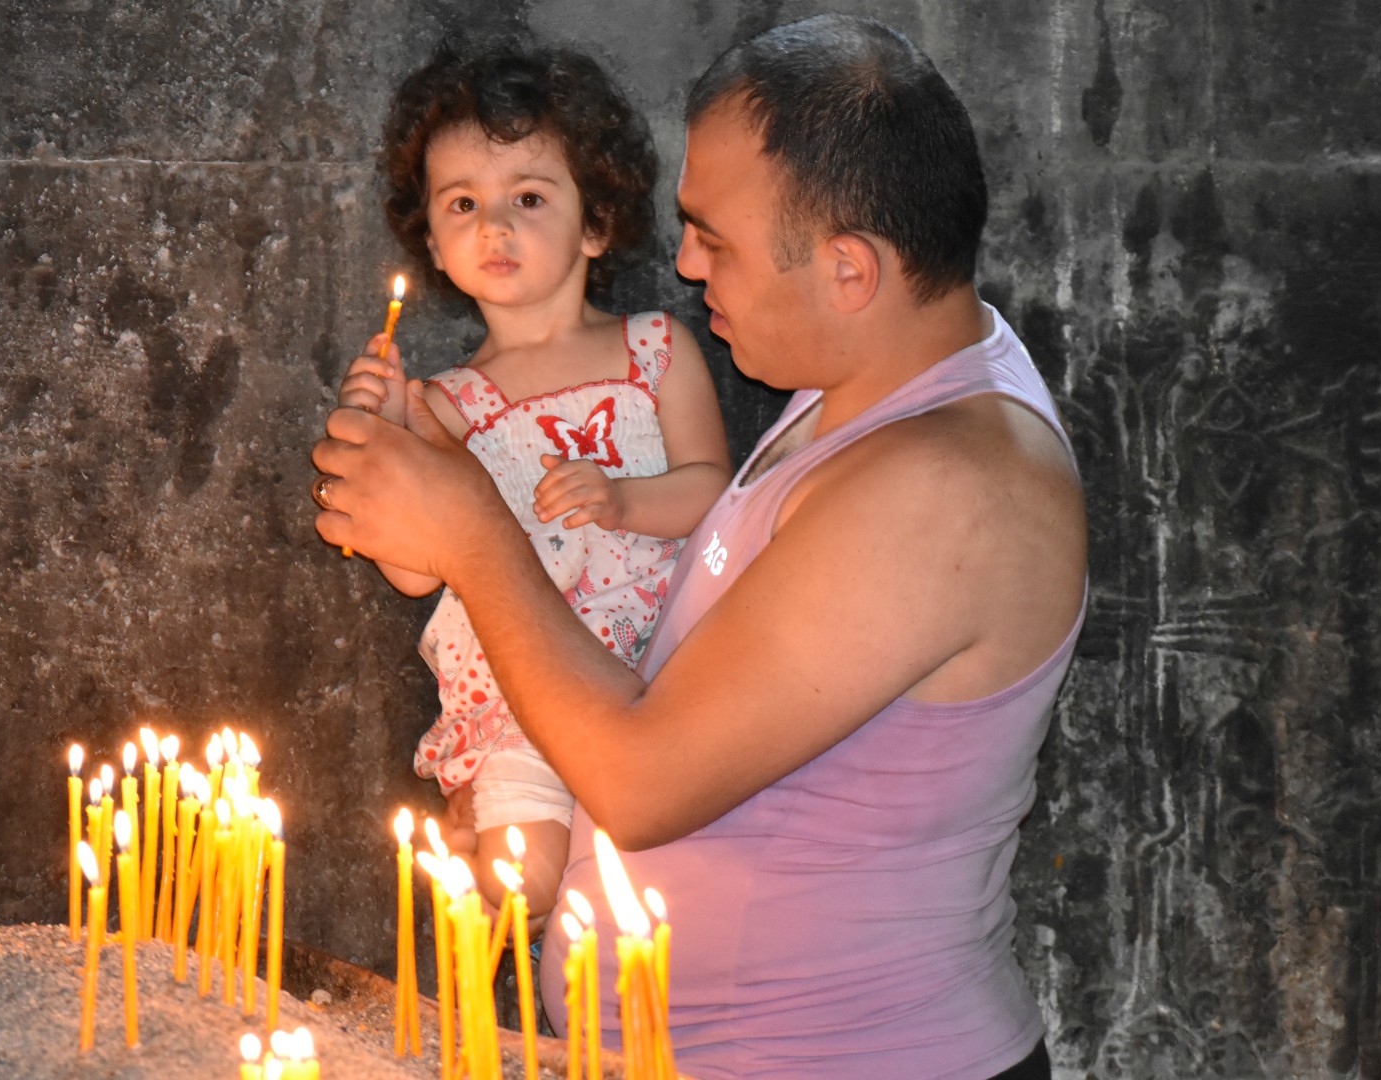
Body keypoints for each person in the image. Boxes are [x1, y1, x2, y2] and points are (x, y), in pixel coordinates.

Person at [313, 15, 1085, 1080]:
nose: (681, 263)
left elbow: (639, 777)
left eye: (713, 238)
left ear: (849, 270)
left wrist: (472, 535)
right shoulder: (866, 383)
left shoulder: (950, 483)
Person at [330, 39, 731, 924]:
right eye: (463, 204)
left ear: (596, 222)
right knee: (526, 875)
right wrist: (384, 432)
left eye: (530, 198)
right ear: (432, 242)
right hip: (520, 693)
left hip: (654, 676)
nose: (494, 226)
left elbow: (715, 493)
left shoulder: (655, 354)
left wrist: (624, 500)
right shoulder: (448, 405)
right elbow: (417, 573)